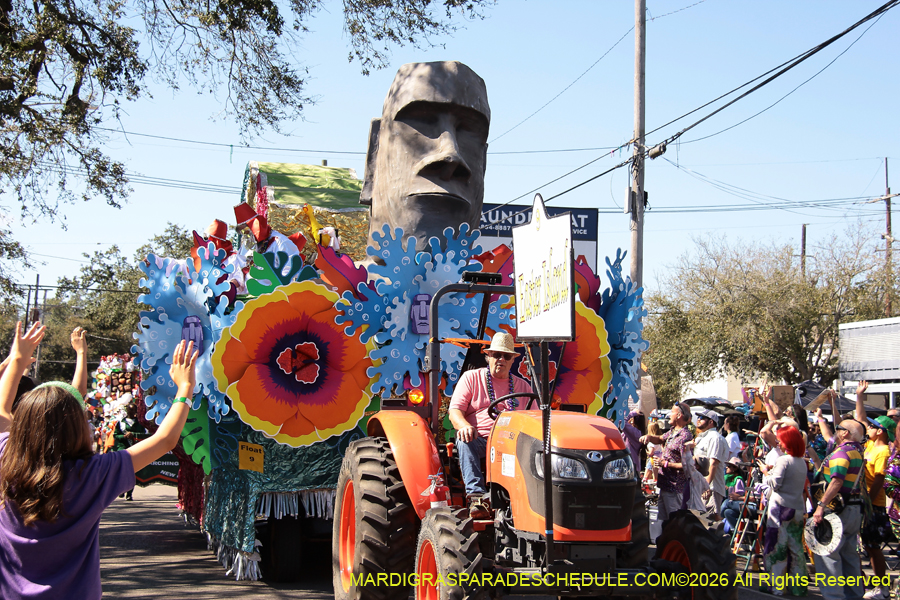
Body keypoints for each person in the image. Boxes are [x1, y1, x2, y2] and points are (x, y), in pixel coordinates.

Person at [0, 322, 198, 599]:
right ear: (79, 426)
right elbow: (165, 440)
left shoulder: (6, 459)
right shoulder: (92, 475)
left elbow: (1, 409)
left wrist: (16, 360)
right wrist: (185, 386)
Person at [361, 61, 490, 254]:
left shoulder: (506, 285)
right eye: (421, 123)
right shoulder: (318, 285)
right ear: (374, 155)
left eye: (468, 133)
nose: (450, 155)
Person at [448, 331, 531, 518]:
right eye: (496, 355)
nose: (501, 359)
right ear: (488, 356)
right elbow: (454, 412)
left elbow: (536, 418)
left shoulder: (523, 386)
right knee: (464, 439)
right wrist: (464, 426)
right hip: (480, 440)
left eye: (506, 356)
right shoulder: (471, 378)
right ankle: (476, 497)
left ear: (512, 360)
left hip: (513, 444)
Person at [811, 418, 866, 600]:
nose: (836, 431)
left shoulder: (842, 453)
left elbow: (837, 481)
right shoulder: (858, 452)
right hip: (853, 508)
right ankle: (854, 595)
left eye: (839, 428)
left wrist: (821, 505)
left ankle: (834, 596)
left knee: (828, 555)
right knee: (849, 555)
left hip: (837, 510)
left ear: (845, 433)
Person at [853, 381, 893, 600]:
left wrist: (866, 497)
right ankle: (872, 584)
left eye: (872, 426)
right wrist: (859, 396)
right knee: (866, 547)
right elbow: (860, 419)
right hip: (862, 501)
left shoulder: (883, 451)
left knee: (873, 546)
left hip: (873, 504)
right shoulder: (870, 445)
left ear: (881, 431)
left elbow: (879, 478)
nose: (867, 428)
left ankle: (883, 588)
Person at [758, 425, 808, 596]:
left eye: (780, 440)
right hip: (797, 507)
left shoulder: (783, 460)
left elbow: (775, 483)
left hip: (780, 508)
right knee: (796, 548)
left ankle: (776, 586)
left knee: (776, 546)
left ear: (786, 442)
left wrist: (765, 471)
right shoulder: (802, 462)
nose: (777, 443)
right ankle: (798, 587)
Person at [639, 402, 693, 521]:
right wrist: (649, 437)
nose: (669, 414)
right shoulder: (672, 432)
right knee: (663, 522)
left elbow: (688, 465)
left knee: (673, 522)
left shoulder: (685, 436)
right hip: (665, 485)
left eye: (672, 412)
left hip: (674, 488)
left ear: (679, 415)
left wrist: (665, 464)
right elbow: (660, 438)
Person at [693, 408, 729, 519]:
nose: (698, 420)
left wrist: (706, 486)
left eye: (702, 418)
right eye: (698, 417)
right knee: (700, 520)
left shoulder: (715, 438)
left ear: (711, 422)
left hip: (710, 488)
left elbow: (713, 463)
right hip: (700, 485)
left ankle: (721, 536)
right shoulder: (703, 438)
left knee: (711, 520)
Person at [720, 458, 751, 532]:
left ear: (735, 469)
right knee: (727, 512)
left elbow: (740, 494)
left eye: (729, 466)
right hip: (731, 502)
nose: (726, 467)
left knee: (726, 503)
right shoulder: (726, 478)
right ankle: (735, 531)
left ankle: (719, 518)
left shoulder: (738, 479)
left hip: (738, 503)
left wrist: (734, 495)